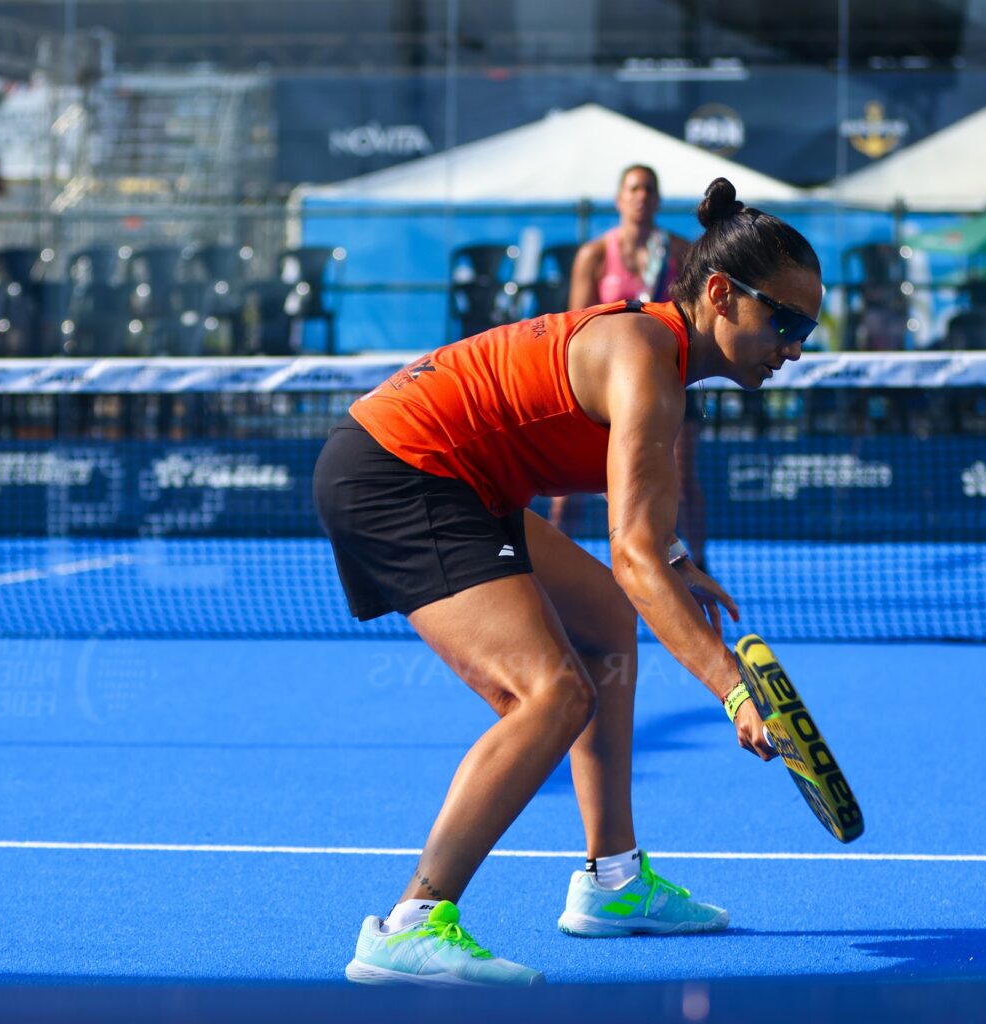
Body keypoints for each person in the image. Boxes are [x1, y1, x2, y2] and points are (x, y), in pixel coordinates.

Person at [313, 177, 822, 986]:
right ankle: (410, 925)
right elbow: (633, 556)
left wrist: (674, 557)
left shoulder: (661, 363)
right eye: (786, 322)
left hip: (457, 476)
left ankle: (612, 880)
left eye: (807, 331)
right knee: (551, 695)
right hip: (400, 470)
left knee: (604, 622)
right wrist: (735, 690)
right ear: (721, 295)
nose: (793, 348)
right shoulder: (645, 360)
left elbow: (638, 522)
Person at [552, 164, 707, 567]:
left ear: (657, 200)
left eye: (648, 189)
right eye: (634, 189)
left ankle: (699, 566)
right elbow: (577, 325)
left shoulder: (680, 252)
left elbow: (696, 316)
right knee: (568, 489)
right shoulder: (594, 255)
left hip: (668, 379)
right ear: (619, 199)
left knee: (683, 481)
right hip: (607, 388)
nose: (641, 196)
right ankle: (553, 565)